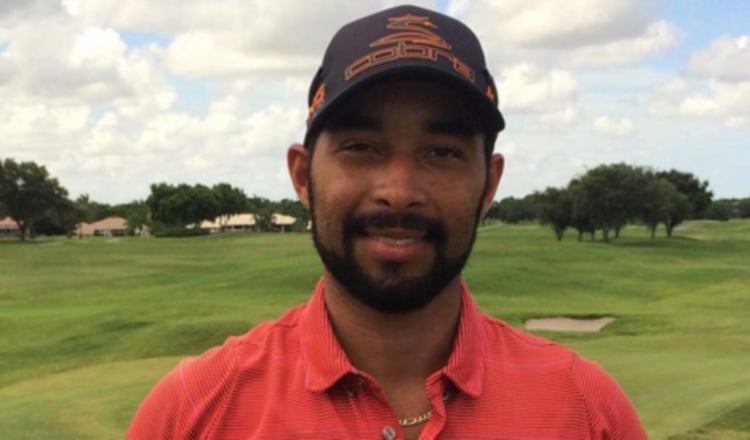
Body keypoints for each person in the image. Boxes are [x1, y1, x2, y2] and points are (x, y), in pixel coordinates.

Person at [127, 5, 647, 439]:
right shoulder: (194, 411)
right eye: (360, 148)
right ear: (304, 176)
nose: (399, 191)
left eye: (441, 152)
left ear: (488, 185)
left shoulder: (586, 410)